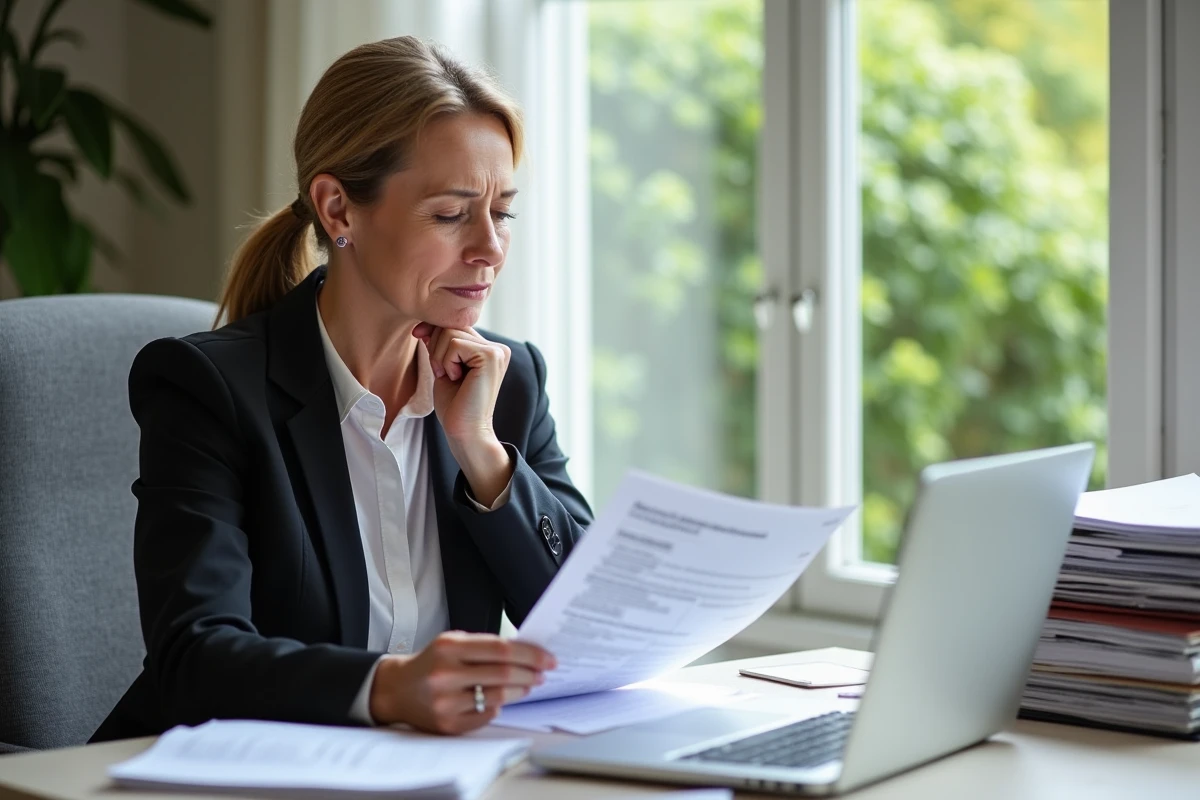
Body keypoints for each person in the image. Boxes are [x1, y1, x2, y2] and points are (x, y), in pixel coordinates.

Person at [90, 36, 591, 742]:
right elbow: (193, 658)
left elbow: (592, 625)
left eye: (502, 211)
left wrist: (485, 457)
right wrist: (388, 687)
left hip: (432, 776)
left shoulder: (506, 383)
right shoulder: (210, 388)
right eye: (451, 213)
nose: (489, 247)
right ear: (338, 210)